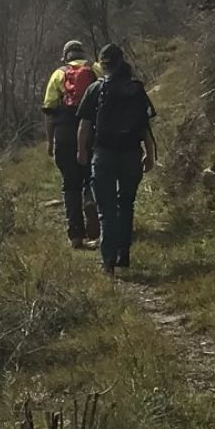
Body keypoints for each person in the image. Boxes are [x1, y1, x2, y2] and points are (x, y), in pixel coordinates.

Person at [76, 43, 157, 274]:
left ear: (103, 65)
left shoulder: (96, 89)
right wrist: (149, 154)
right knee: (126, 205)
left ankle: (108, 260)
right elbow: (144, 126)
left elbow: (84, 123)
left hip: (104, 154)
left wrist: (81, 150)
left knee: (106, 209)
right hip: (131, 154)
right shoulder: (136, 89)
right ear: (122, 62)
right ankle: (124, 254)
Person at [40, 39, 100, 249]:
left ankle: (75, 235)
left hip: (64, 133)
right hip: (93, 130)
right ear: (82, 53)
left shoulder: (58, 75)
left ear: (66, 56)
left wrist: (50, 141)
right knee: (93, 176)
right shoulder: (96, 69)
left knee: (70, 184)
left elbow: (48, 112)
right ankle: (91, 201)